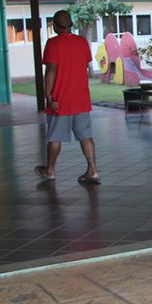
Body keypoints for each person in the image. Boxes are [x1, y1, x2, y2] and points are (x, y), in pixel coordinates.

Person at [35, 10, 100, 185]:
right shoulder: (82, 42)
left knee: (55, 137)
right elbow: (84, 65)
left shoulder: (53, 44)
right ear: (71, 24)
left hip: (60, 99)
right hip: (81, 98)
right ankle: (92, 170)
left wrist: (48, 94)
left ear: (55, 26)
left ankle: (50, 171)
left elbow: (51, 70)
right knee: (86, 136)